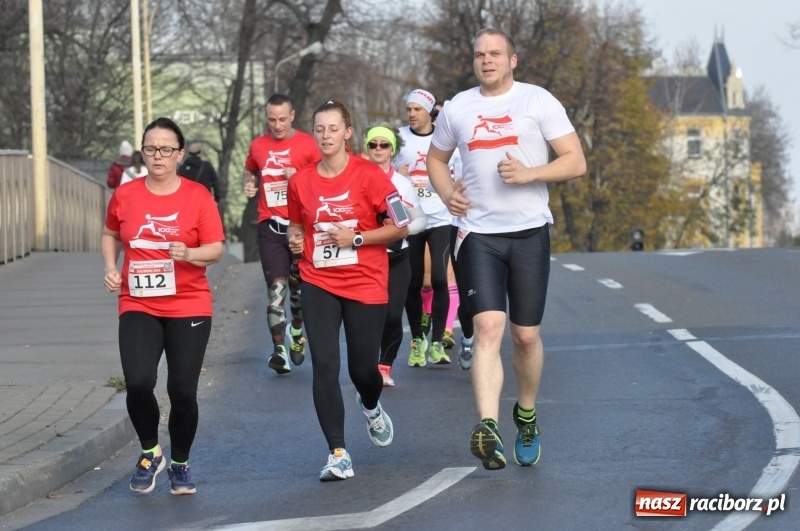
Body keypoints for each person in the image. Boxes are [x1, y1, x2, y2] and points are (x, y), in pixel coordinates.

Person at [427, 28, 586, 470]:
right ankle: (489, 428)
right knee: (488, 328)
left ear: (512, 60)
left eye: (495, 54)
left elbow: (575, 161)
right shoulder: (458, 107)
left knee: (525, 336)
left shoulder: (538, 100)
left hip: (529, 233)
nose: (487, 60)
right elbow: (435, 160)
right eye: (480, 54)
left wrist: (530, 173)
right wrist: (447, 195)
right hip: (477, 235)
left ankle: (526, 416)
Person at [101, 117, 225, 495]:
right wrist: (110, 267)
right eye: (151, 148)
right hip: (138, 302)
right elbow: (110, 233)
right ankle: (150, 452)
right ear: (143, 152)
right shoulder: (126, 194)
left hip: (189, 303)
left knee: (183, 391)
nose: (158, 155)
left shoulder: (197, 196)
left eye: (166, 149)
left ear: (179, 154)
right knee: (139, 383)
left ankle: (180, 464)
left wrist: (189, 253)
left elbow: (215, 249)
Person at [287, 99, 407, 481]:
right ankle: (337, 452)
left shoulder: (370, 175)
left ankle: (371, 406)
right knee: (324, 365)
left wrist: (355, 237)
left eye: (333, 129)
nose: (326, 136)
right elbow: (296, 225)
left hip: (365, 281)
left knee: (363, 371)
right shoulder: (300, 181)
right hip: (318, 279)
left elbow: (401, 225)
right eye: (320, 129)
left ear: (348, 133)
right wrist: (294, 238)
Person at [243, 93, 320, 374]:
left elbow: (323, 182)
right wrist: (249, 184)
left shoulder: (308, 145)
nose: (277, 125)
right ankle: (279, 351)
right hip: (270, 226)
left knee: (297, 290)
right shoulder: (258, 145)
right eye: (272, 120)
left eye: (282, 119)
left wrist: (298, 176)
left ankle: (297, 331)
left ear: (293, 116)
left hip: (299, 227)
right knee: (276, 290)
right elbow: (249, 170)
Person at [393, 89, 456, 368]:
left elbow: (460, 170)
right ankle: (418, 339)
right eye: (409, 109)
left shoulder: (445, 137)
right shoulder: (398, 137)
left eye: (417, 109)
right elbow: (381, 170)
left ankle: (438, 342)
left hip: (441, 218)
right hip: (412, 218)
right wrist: (397, 174)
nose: (411, 114)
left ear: (430, 112)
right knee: (415, 282)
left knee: (440, 280)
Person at [363, 124, 427, 387]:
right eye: (373, 144)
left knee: (392, 315)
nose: (378, 149)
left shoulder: (402, 184)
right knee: (369, 316)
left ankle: (384, 366)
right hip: (366, 257)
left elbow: (420, 219)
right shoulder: (357, 178)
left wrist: (402, 230)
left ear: (392, 150)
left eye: (384, 144)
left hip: (397, 257)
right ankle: (366, 364)